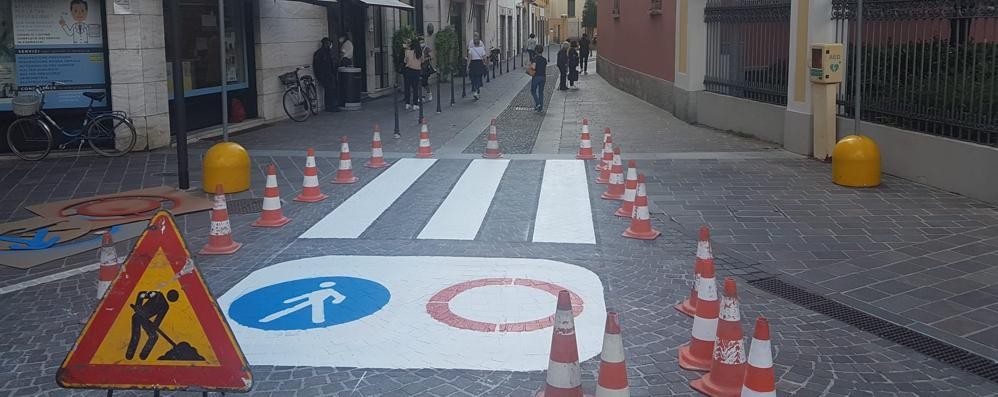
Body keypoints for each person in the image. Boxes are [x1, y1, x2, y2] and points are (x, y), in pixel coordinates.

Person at [126, 290, 179, 361]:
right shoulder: (157, 295)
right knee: (136, 335)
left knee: (154, 336)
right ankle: (129, 354)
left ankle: (143, 355)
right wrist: (138, 305)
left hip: (146, 320)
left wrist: (154, 326)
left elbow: (158, 320)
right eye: (172, 295)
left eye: (174, 297)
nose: (172, 297)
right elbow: (141, 294)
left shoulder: (166, 306)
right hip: (138, 316)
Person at [312, 38, 339, 112]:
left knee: (331, 90)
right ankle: (330, 106)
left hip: (330, 74)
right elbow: (317, 66)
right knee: (329, 91)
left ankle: (331, 105)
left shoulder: (328, 52)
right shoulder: (320, 53)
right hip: (325, 75)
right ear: (325, 43)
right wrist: (320, 76)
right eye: (329, 43)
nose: (330, 45)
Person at [402, 38, 423, 112]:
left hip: (408, 70)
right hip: (416, 71)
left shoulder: (407, 52)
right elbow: (422, 61)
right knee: (415, 88)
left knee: (407, 87)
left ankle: (407, 104)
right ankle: (415, 104)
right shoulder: (420, 53)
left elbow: (405, 61)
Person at [467, 33, 488, 100]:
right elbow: (484, 58)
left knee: (473, 77)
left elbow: (469, 59)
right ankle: (477, 91)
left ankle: (476, 89)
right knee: (479, 77)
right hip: (479, 64)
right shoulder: (482, 49)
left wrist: (467, 66)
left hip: (473, 64)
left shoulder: (471, 49)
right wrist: (485, 64)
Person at [530, 44, 547, 112]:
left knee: (533, 91)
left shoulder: (535, 59)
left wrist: (528, 67)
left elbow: (533, 68)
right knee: (541, 92)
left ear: (536, 51)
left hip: (536, 77)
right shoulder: (544, 59)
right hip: (543, 77)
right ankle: (540, 108)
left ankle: (538, 103)